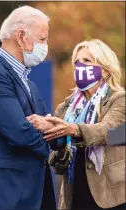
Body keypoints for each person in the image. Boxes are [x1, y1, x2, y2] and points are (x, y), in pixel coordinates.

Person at [0, 5, 65, 210]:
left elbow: (56, 134)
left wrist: (51, 129)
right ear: (21, 37)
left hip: (34, 193)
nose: (45, 46)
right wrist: (50, 130)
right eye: (42, 39)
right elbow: (21, 133)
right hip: (7, 195)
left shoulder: (29, 84)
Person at [27, 39, 126, 209]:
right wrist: (58, 142)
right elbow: (57, 166)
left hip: (111, 196)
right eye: (76, 62)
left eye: (87, 61)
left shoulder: (118, 99)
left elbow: (110, 131)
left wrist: (73, 130)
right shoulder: (65, 109)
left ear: (105, 70)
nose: (80, 66)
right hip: (75, 195)